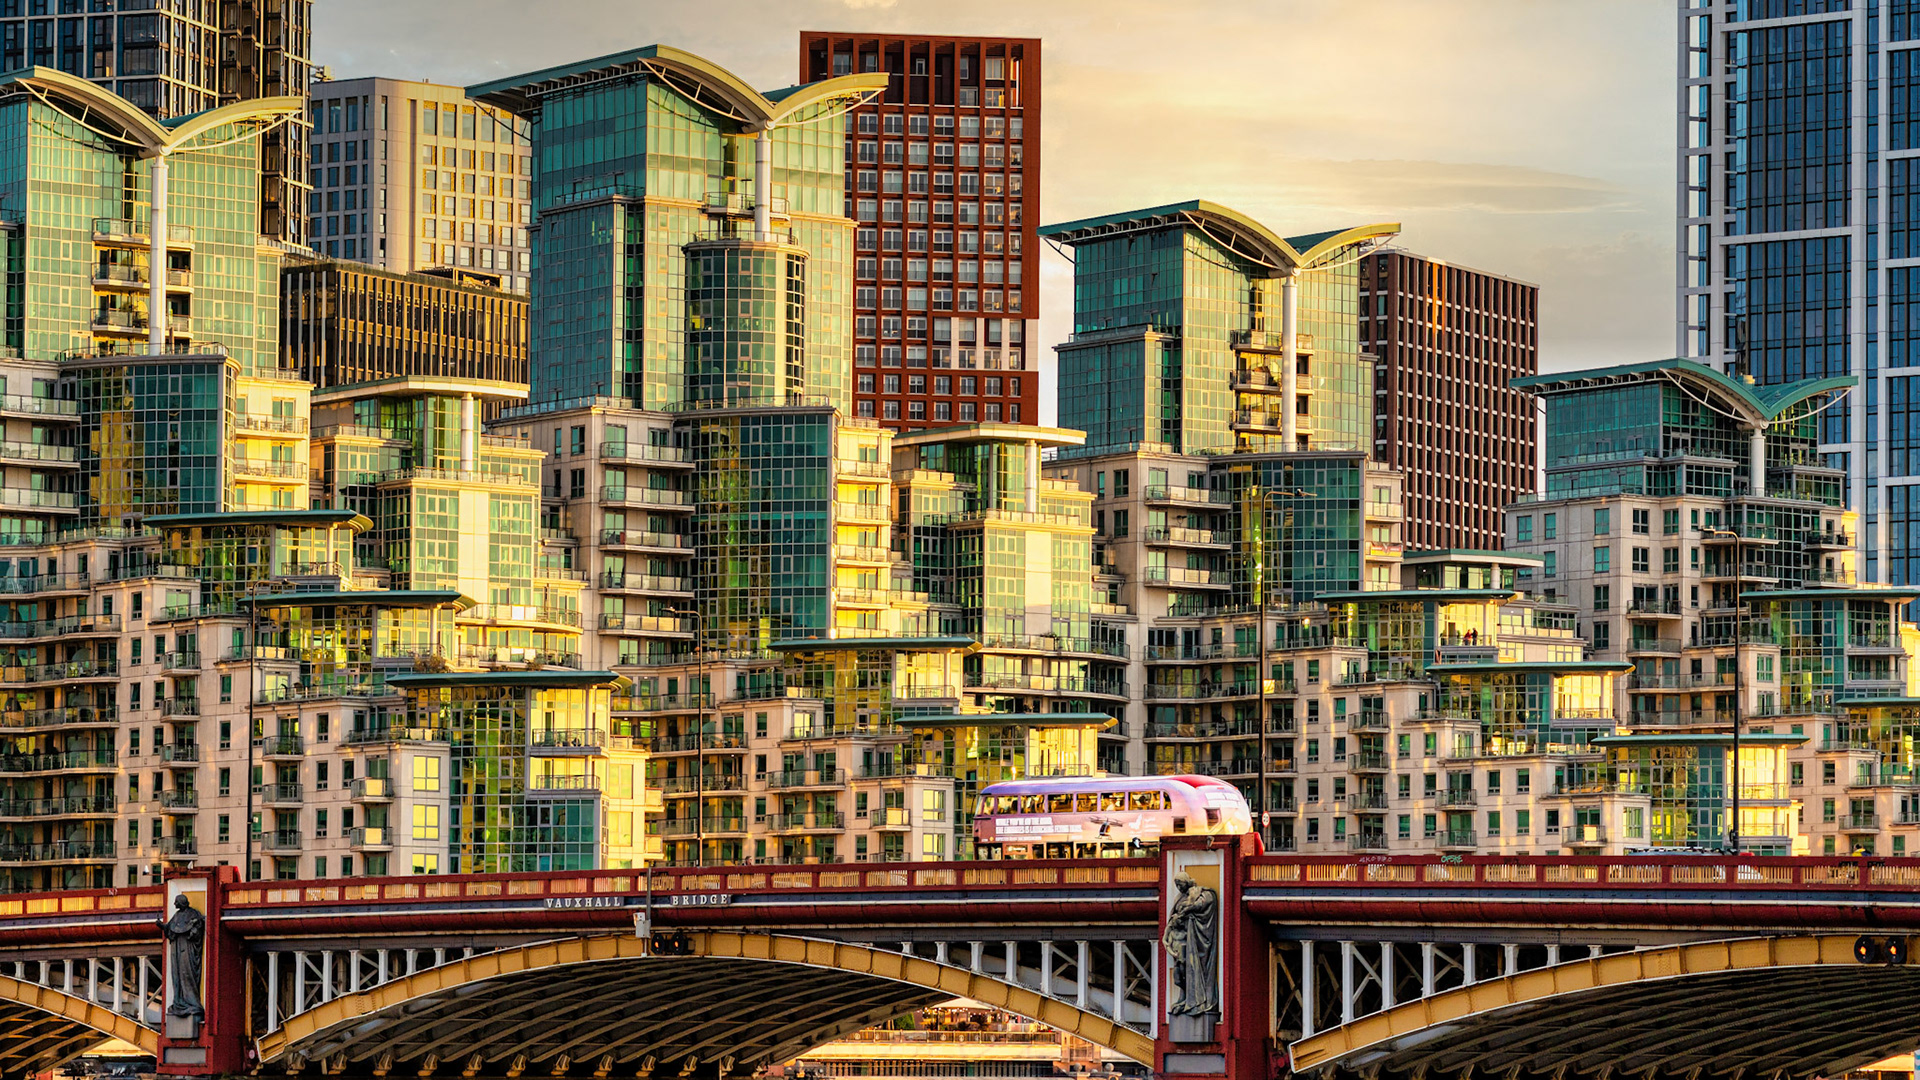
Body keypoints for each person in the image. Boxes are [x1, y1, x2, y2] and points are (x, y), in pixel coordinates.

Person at [1162, 872, 1219, 1015]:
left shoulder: (1200, 893)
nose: (1178, 887)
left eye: (1180, 884)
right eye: (1176, 885)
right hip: (1178, 942)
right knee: (1178, 974)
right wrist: (1167, 942)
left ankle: (1193, 1000)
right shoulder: (1179, 898)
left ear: (1186, 882)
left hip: (1191, 942)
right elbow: (1169, 927)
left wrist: (1188, 909)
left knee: (1188, 969)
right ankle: (1184, 998)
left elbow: (1204, 903)